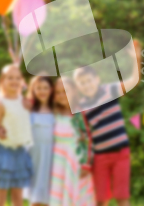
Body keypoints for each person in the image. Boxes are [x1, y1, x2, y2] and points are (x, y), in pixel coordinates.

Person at [73, 40, 142, 206]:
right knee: (101, 198)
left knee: (121, 196)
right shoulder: (81, 106)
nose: (86, 85)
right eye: (82, 83)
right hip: (99, 156)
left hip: (120, 153)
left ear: (97, 79)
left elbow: (133, 80)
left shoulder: (110, 90)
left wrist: (136, 59)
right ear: (78, 86)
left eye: (89, 80)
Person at [0, 64, 33, 206]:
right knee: (1, 197)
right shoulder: (0, 105)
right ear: (2, 81)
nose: (14, 81)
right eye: (10, 78)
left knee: (18, 197)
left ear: (22, 82)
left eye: (18, 78)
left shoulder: (25, 103)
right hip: (3, 154)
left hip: (21, 153)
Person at [50, 76, 95, 206]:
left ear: (74, 91)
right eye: (57, 92)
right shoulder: (53, 113)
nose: (61, 95)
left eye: (65, 91)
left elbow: (88, 138)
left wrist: (87, 163)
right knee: (58, 196)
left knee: (77, 195)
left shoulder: (79, 114)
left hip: (76, 161)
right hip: (58, 162)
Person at [23, 76, 57, 206]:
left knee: (50, 195)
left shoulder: (55, 110)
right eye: (38, 88)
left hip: (52, 156)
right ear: (33, 90)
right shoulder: (29, 109)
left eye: (45, 88)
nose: (42, 91)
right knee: (36, 196)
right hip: (34, 156)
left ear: (51, 90)